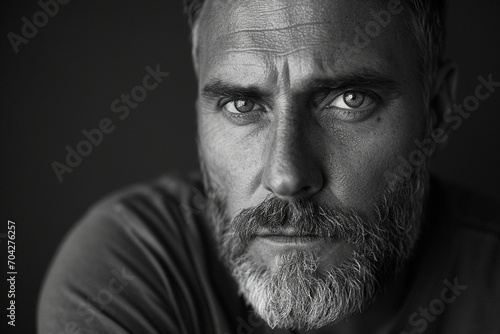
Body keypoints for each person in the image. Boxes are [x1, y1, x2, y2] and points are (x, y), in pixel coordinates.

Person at [38, 0, 500, 333]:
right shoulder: (134, 265)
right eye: (242, 104)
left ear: (436, 109)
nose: (286, 177)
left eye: (349, 100)